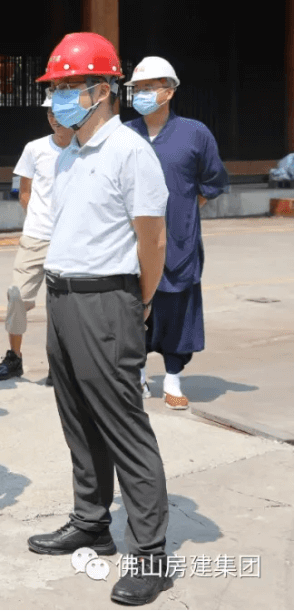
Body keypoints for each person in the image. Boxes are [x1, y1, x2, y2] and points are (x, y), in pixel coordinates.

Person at [26, 32, 172, 607]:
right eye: (56, 86)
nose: (59, 96)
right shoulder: (68, 153)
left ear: (103, 89)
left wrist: (139, 299)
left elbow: (152, 239)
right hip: (63, 296)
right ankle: (91, 520)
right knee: (79, 419)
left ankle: (151, 553)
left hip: (107, 299)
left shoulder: (130, 151)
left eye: (70, 85)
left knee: (122, 425)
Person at [125, 57, 229, 409]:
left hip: (178, 241)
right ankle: (137, 373)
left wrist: (183, 210)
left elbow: (212, 180)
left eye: (149, 87)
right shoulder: (124, 134)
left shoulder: (195, 133)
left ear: (169, 91)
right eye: (137, 88)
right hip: (130, 240)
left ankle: (172, 378)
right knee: (132, 306)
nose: (141, 94)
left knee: (177, 308)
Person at [0, 89, 75, 385]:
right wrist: (39, 219)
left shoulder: (84, 148)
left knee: (61, 305)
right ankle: (14, 357)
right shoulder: (35, 148)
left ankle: (58, 364)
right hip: (36, 236)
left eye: (59, 112)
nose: (54, 118)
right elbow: (24, 192)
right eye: (50, 112)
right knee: (17, 295)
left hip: (70, 240)